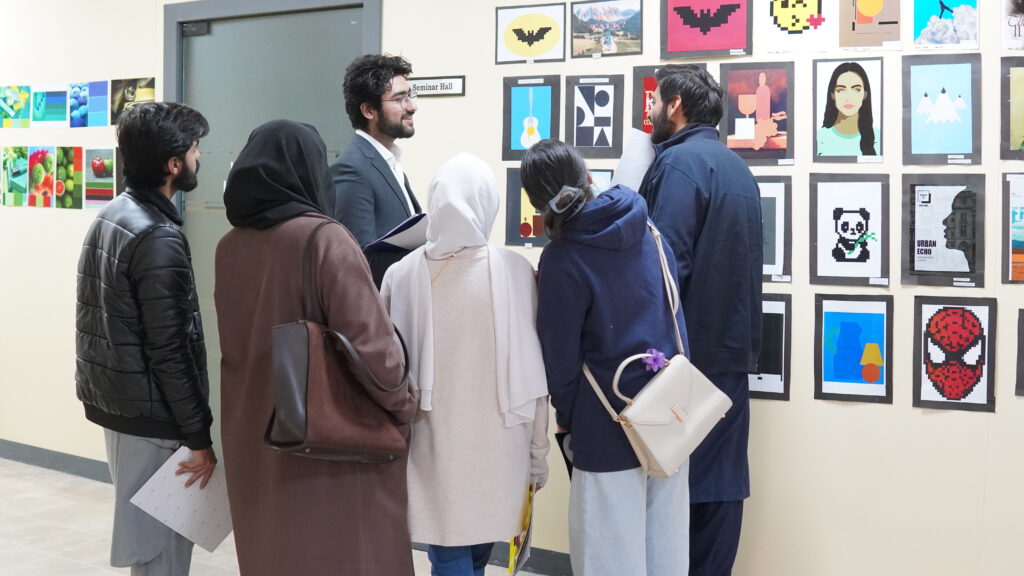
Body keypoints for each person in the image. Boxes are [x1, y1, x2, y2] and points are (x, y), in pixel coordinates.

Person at [215, 120, 416, 576]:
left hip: (252, 432)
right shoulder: (325, 239)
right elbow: (374, 349)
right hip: (326, 443)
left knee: (272, 554)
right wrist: (404, 406)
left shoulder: (229, 247)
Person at [523, 139, 691, 576]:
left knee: (608, 554)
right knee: (667, 544)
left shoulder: (563, 258)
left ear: (538, 204)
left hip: (604, 419)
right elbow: (673, 309)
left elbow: (560, 357)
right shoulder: (646, 225)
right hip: (668, 408)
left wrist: (566, 417)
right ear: (587, 176)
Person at [380, 152, 550, 576]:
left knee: (449, 547)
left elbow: (383, 367)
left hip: (431, 443)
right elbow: (535, 378)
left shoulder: (401, 274)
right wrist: (538, 453)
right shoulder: (517, 271)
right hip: (501, 443)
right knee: (475, 546)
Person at [75, 101, 215, 576]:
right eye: (195, 148)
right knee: (162, 554)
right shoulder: (156, 236)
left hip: (121, 406)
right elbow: (170, 349)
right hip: (154, 420)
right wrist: (198, 435)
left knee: (150, 548)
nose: (200, 156)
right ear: (173, 164)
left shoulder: (113, 213)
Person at [639, 64, 763, 576]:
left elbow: (663, 272)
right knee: (722, 490)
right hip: (731, 358)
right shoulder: (737, 168)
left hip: (683, 363)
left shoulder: (677, 165)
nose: (649, 111)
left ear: (674, 106)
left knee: (675, 493)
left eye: (654, 101)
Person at [326, 54, 422, 287]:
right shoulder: (351, 169)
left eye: (410, 95)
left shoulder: (388, 160)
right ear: (369, 110)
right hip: (382, 304)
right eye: (399, 99)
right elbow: (358, 261)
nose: (412, 106)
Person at [817, 61, 877, 156]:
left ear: (865, 94)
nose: (848, 97)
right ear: (833, 94)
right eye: (841, 90)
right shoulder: (818, 138)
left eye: (856, 90)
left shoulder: (879, 138)